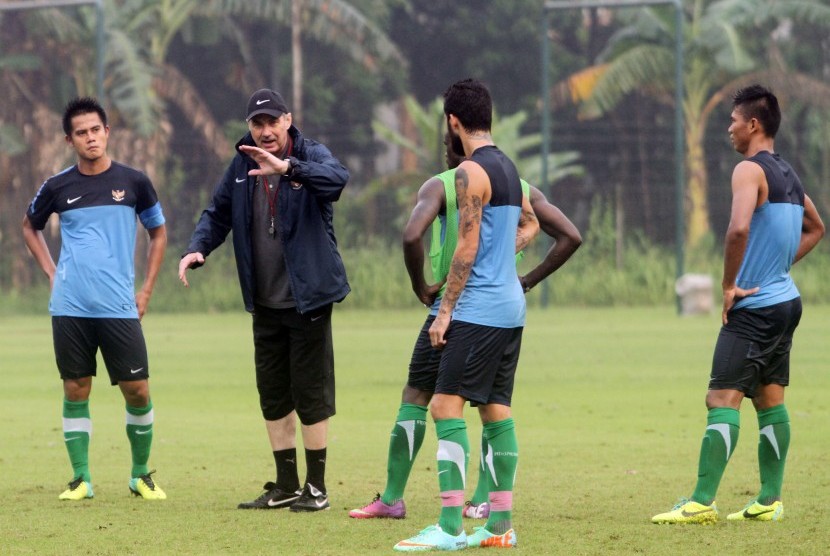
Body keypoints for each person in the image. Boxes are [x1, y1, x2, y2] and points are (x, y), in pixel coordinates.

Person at [349, 134, 581, 522]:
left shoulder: (440, 184)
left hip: (462, 309)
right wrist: (524, 279)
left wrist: (420, 286)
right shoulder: (518, 186)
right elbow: (568, 234)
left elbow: (411, 235)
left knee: (434, 401)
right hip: (491, 307)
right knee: (481, 403)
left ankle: (423, 507)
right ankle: (480, 501)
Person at [652, 85, 824, 525]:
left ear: (753, 124)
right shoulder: (788, 173)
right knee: (770, 400)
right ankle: (769, 500)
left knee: (720, 398)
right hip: (787, 303)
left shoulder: (748, 170)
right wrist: (776, 268)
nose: (728, 128)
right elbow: (816, 227)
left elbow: (737, 230)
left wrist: (730, 284)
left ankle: (701, 502)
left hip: (756, 308)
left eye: (732, 120)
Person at [178, 88, 349, 512]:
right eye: (258, 123)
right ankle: (287, 484)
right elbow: (216, 213)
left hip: (307, 299)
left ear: (288, 120)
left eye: (273, 122)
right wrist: (198, 247)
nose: (266, 130)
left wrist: (289, 167)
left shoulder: (311, 155)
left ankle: (316, 487)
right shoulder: (240, 164)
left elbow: (337, 180)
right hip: (265, 301)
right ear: (249, 127)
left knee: (310, 393)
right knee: (273, 394)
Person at [393, 78, 539, 552]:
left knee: (443, 405)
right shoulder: (511, 171)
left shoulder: (469, 173)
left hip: (475, 311)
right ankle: (500, 526)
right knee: (496, 411)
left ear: (453, 122)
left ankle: (451, 526)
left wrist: (444, 311)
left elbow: (467, 244)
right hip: (511, 310)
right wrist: (506, 256)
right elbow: (533, 223)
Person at [22, 97, 168, 501]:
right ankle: (81, 479)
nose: (90, 138)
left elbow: (159, 233)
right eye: (81, 132)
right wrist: (52, 272)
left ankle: (140, 475)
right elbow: (29, 226)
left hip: (120, 304)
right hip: (70, 306)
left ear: (107, 132)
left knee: (137, 389)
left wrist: (147, 290)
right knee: (76, 388)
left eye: (96, 130)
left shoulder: (134, 182)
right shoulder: (57, 186)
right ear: (70, 139)